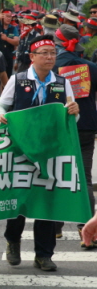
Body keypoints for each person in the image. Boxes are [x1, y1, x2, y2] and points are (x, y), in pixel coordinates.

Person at [0, 35, 79, 272]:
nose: (50, 57)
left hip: (50, 150)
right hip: (21, 149)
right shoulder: (18, 79)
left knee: (47, 201)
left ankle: (44, 254)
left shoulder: (62, 82)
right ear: (32, 57)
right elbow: (2, 105)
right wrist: (1, 115)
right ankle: (13, 241)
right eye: (45, 53)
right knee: (20, 200)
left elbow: (72, 117)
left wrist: (74, 111)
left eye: (53, 52)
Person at [52, 24, 97, 247]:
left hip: (60, 127)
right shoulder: (91, 66)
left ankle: (55, 227)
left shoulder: (51, 66)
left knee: (58, 175)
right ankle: (87, 227)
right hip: (87, 125)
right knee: (85, 177)